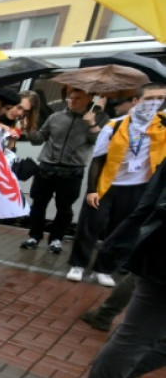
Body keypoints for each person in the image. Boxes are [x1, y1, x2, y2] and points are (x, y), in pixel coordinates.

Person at [76, 161, 166, 378]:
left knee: (139, 336)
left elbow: (146, 206)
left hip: (157, 255)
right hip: (160, 262)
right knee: (137, 336)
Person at [66, 83, 166, 286]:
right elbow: (98, 159)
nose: (154, 103)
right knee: (90, 226)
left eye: (160, 99)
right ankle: (78, 264)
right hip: (107, 185)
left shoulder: (163, 127)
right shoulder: (115, 126)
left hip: (139, 187)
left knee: (122, 231)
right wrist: (92, 189)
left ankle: (104, 268)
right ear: (136, 101)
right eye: (149, 98)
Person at [20, 88, 103, 254]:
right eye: (71, 98)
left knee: (64, 208)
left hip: (72, 171)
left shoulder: (95, 119)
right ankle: (34, 236)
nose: (72, 101)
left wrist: (91, 123)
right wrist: (28, 129)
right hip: (46, 168)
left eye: (78, 98)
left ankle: (56, 239)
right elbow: (38, 140)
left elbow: (99, 142)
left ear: (89, 100)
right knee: (38, 205)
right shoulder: (55, 117)